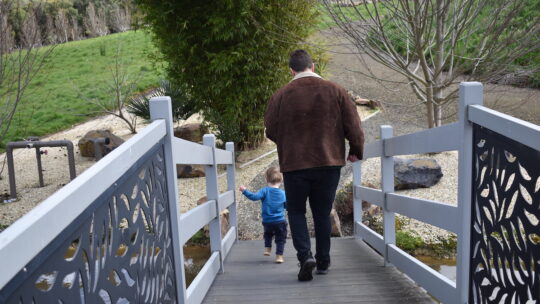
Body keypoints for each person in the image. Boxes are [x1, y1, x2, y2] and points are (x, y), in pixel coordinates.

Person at [264, 49, 364, 281]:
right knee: (321, 212)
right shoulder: (336, 90)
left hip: (295, 164)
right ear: (313, 66)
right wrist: (355, 151)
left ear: (291, 70)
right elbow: (354, 126)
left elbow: (271, 130)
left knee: (297, 211)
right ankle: (323, 260)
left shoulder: (280, 95)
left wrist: (289, 143)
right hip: (329, 162)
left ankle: (305, 257)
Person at [239, 167, 288, 264]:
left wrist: (245, 191)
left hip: (267, 221)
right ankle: (279, 256)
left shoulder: (264, 191)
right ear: (281, 180)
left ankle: (267, 248)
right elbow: (287, 206)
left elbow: (254, 197)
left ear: (266, 179)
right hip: (280, 221)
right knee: (280, 238)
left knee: (268, 234)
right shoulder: (283, 194)